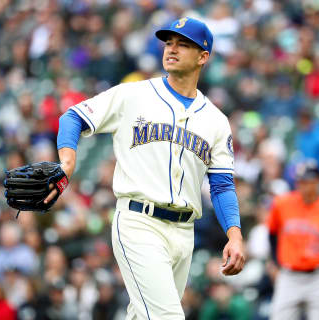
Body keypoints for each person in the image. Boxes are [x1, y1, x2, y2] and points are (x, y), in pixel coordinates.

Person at [44, 17, 245, 319]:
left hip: (184, 232)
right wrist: (68, 161)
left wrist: (235, 234)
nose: (172, 49)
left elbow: (222, 185)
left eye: (184, 44)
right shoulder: (133, 94)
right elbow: (73, 117)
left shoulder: (215, 120)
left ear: (203, 56)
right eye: (169, 43)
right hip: (139, 223)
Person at [267, 162, 319, 320]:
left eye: (307, 181)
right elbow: (271, 233)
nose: (302, 185)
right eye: (300, 181)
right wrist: (274, 262)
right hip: (289, 276)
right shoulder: (282, 204)